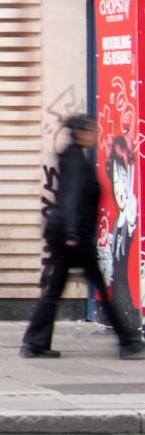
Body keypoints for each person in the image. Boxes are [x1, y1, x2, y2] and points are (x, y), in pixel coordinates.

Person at [21, 113, 145, 359]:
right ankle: (129, 343)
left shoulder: (72, 157)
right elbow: (72, 199)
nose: (96, 135)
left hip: (66, 234)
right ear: (80, 133)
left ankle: (34, 343)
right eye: (92, 131)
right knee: (99, 289)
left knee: (54, 291)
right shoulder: (77, 161)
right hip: (73, 237)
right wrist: (73, 233)